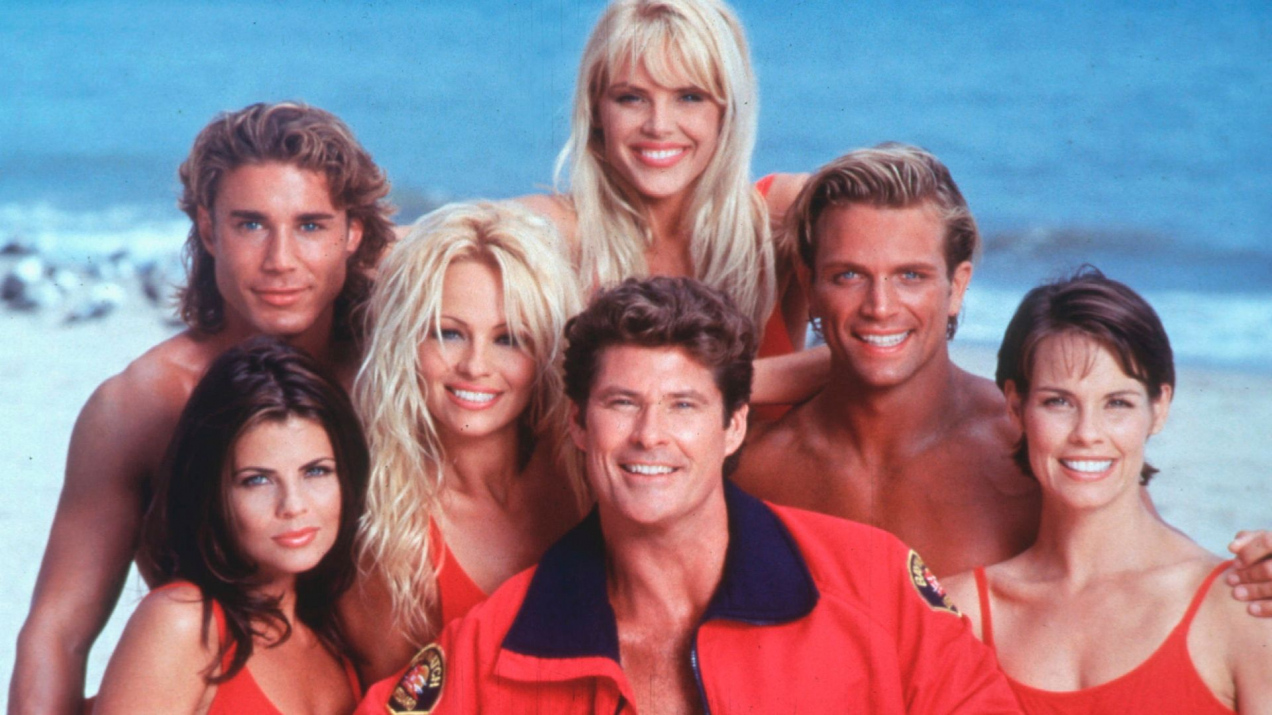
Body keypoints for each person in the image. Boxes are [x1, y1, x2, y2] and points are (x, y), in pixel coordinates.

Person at [362, 277, 1022, 714]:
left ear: (733, 425)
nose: (650, 435)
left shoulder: (873, 583)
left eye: (683, 405)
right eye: (622, 403)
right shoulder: (499, 645)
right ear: (579, 424)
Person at [732, 144, 1272, 590]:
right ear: (810, 286)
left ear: (957, 286)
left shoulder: (1032, 451)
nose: (880, 306)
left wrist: (1254, 577)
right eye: (849, 275)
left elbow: (1161, 581)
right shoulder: (754, 463)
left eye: (912, 276)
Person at [10, 101, 395, 714]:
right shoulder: (141, 404)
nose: (281, 260)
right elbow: (58, 634)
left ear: (352, 234)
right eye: (251, 224)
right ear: (208, 230)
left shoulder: (391, 371)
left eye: (310, 226)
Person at [942, 269, 1272, 712]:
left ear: (1159, 408)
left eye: (1117, 403)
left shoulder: (1242, 607)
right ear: (1016, 406)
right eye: (1058, 402)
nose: (1087, 433)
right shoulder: (958, 615)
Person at [517, 0, 825, 407]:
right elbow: (435, 252)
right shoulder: (556, 233)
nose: (659, 126)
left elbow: (893, 334)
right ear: (596, 110)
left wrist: (716, 385)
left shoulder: (780, 214)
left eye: (690, 97)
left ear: (727, 111)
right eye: (631, 98)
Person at [340, 201, 589, 686]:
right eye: (448, 334)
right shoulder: (389, 539)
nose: (475, 366)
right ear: (406, 342)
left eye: (508, 339)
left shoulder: (587, 474)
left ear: (545, 352)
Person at [94, 338, 369, 714]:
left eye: (316, 471)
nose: (293, 506)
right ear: (213, 492)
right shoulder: (183, 621)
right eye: (258, 480)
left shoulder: (333, 635)